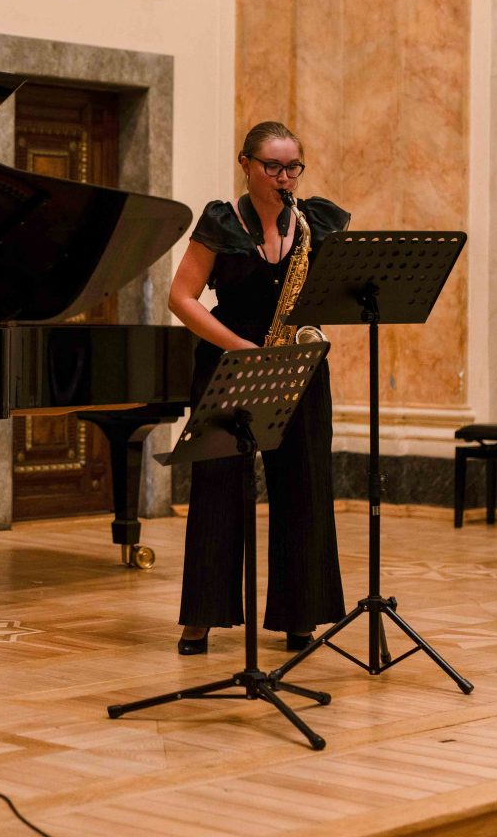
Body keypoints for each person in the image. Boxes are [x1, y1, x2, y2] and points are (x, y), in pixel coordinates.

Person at [166, 121, 348, 655]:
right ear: (245, 164)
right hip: (232, 363)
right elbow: (182, 298)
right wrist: (240, 347)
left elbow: (335, 291)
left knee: (305, 484)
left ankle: (300, 615)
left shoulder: (315, 222)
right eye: (273, 166)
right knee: (218, 484)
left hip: (298, 365)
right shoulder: (222, 221)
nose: (284, 177)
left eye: (293, 167)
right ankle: (202, 617)